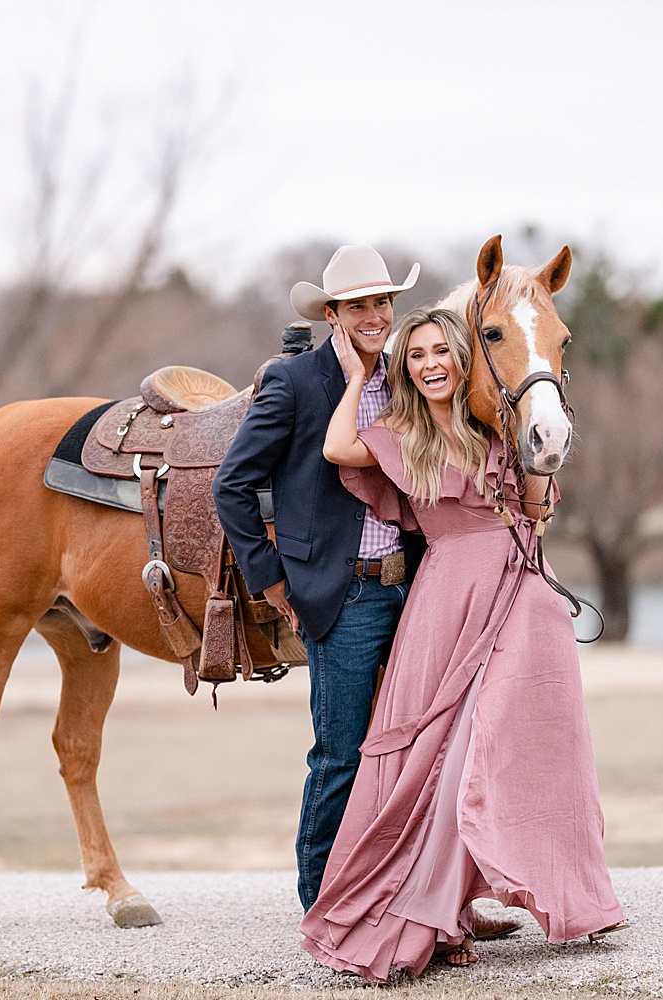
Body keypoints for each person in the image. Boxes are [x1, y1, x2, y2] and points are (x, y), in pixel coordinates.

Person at [297, 305, 625, 982]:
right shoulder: (399, 433)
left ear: (459, 357)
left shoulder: (494, 427)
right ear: (407, 370)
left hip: (527, 592)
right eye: (414, 357)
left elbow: (536, 509)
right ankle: (431, 909)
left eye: (438, 352)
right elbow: (336, 449)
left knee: (529, 748)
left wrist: (541, 450)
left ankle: (570, 894)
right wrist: (361, 371)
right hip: (450, 596)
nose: (429, 366)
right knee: (447, 751)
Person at [213, 246, 518, 944]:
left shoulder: (412, 373)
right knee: (343, 754)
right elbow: (233, 485)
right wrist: (272, 579)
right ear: (332, 315)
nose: (377, 316)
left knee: (426, 749)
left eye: (383, 302)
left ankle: (434, 899)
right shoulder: (294, 383)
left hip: (416, 590)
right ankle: (322, 905)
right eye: (360, 306)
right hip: (341, 598)